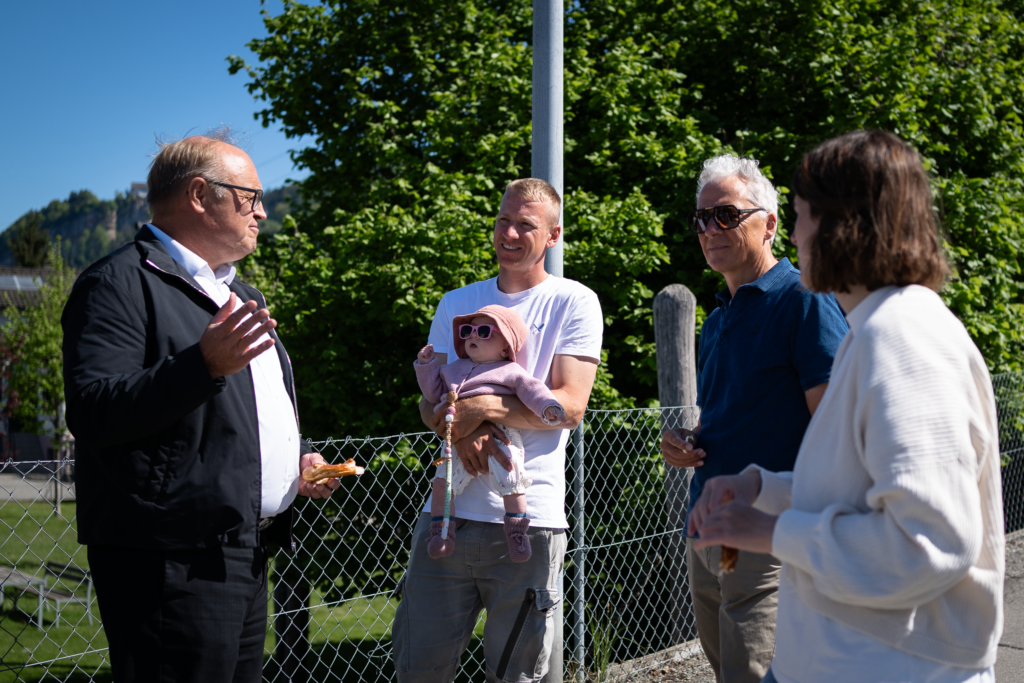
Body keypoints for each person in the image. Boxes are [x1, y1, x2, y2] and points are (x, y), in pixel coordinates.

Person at [688, 130, 1005, 683]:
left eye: (801, 216)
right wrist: (763, 487)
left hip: (896, 666)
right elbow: (858, 490)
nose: (793, 234)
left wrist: (771, 532)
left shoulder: (904, 339)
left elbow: (928, 544)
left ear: (845, 224)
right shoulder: (875, 330)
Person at [61, 131, 341, 683]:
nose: (262, 211)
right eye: (250, 196)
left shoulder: (240, 294)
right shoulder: (117, 284)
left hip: (242, 548)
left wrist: (296, 458)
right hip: (171, 558)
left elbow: (247, 410)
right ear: (198, 194)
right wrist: (202, 365)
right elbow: (93, 411)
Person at [393, 178, 602, 683]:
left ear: (552, 236)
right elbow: (430, 403)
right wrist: (464, 429)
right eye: (503, 220)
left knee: (516, 675)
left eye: (525, 225)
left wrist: (483, 408)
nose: (509, 233)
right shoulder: (457, 303)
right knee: (417, 670)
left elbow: (569, 407)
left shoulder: (573, 301)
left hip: (529, 523)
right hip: (446, 516)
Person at [660, 155, 848, 682]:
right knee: (730, 672)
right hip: (711, 530)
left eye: (726, 215)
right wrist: (686, 441)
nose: (710, 229)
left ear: (769, 224)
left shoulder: (803, 300)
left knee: (756, 674)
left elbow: (837, 430)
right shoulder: (718, 316)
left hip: (768, 533)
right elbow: (734, 415)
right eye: (701, 218)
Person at [414, 304, 567, 562]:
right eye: (467, 331)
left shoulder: (510, 371)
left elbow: (532, 390)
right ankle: (441, 533)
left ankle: (517, 534)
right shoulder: (453, 369)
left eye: (483, 331)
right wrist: (427, 365)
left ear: (506, 347)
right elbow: (433, 393)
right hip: (456, 437)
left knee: (512, 481)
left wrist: (548, 406)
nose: (473, 336)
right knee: (442, 484)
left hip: (501, 432)